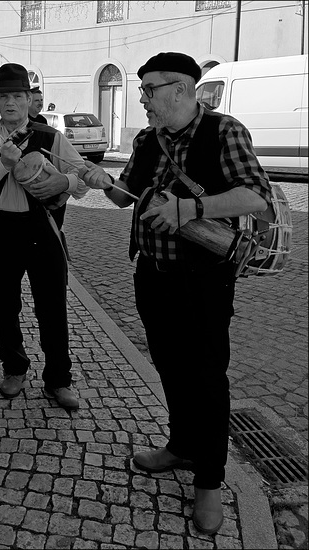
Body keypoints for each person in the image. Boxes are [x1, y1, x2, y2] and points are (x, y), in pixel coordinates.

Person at [78, 52, 272, 535]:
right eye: (141, 89)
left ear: (181, 89)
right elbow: (127, 197)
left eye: (148, 89)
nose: (141, 98)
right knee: (167, 362)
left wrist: (191, 207)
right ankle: (182, 445)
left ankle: (209, 481)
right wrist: (100, 182)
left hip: (203, 277)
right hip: (152, 272)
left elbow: (256, 197)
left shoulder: (224, 131)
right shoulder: (147, 139)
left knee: (206, 374)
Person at [0, 63, 88, 410]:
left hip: (43, 231)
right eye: (4, 96)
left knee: (53, 308)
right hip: (0, 232)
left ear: (29, 99)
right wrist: (2, 164)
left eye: (17, 95)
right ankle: (14, 369)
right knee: (6, 307)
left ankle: (59, 380)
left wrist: (67, 181)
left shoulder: (50, 138)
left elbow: (81, 178)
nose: (11, 103)